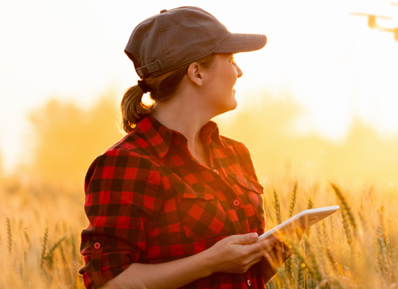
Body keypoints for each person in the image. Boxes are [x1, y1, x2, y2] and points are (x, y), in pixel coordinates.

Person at [79, 6, 292, 289]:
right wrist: (210, 262)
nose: (239, 72)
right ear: (197, 74)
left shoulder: (235, 155)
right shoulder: (127, 163)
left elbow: (241, 274)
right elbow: (108, 283)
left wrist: (267, 252)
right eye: (230, 59)